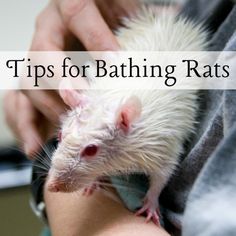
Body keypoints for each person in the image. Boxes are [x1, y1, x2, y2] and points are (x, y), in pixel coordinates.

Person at [4, 0, 236, 235]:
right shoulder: (95, 110)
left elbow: (165, 163)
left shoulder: (146, 135)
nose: (53, 183)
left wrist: (151, 197)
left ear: (127, 120)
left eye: (91, 150)